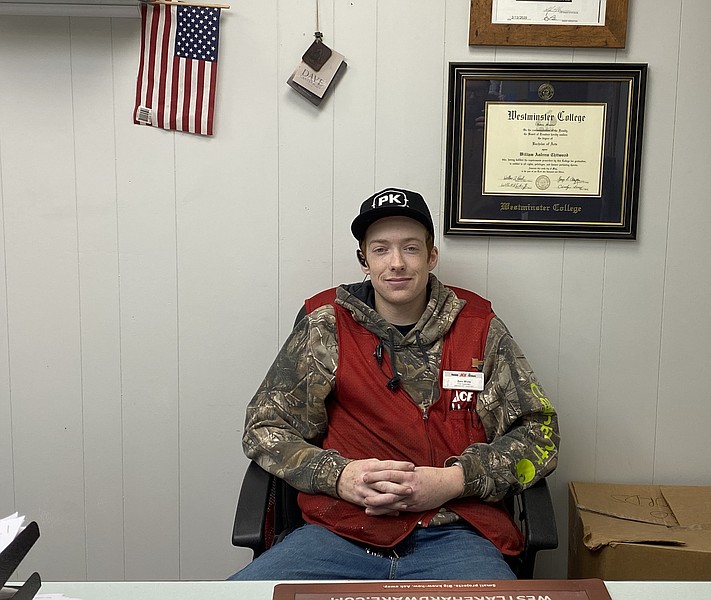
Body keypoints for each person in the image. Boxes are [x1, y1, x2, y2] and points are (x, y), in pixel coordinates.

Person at [229, 187, 558, 581]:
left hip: (456, 535)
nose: (397, 263)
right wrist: (340, 476)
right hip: (339, 532)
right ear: (363, 260)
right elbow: (264, 428)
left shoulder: (480, 330)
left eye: (411, 248)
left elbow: (540, 436)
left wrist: (453, 480)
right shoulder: (325, 327)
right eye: (381, 249)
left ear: (431, 255)